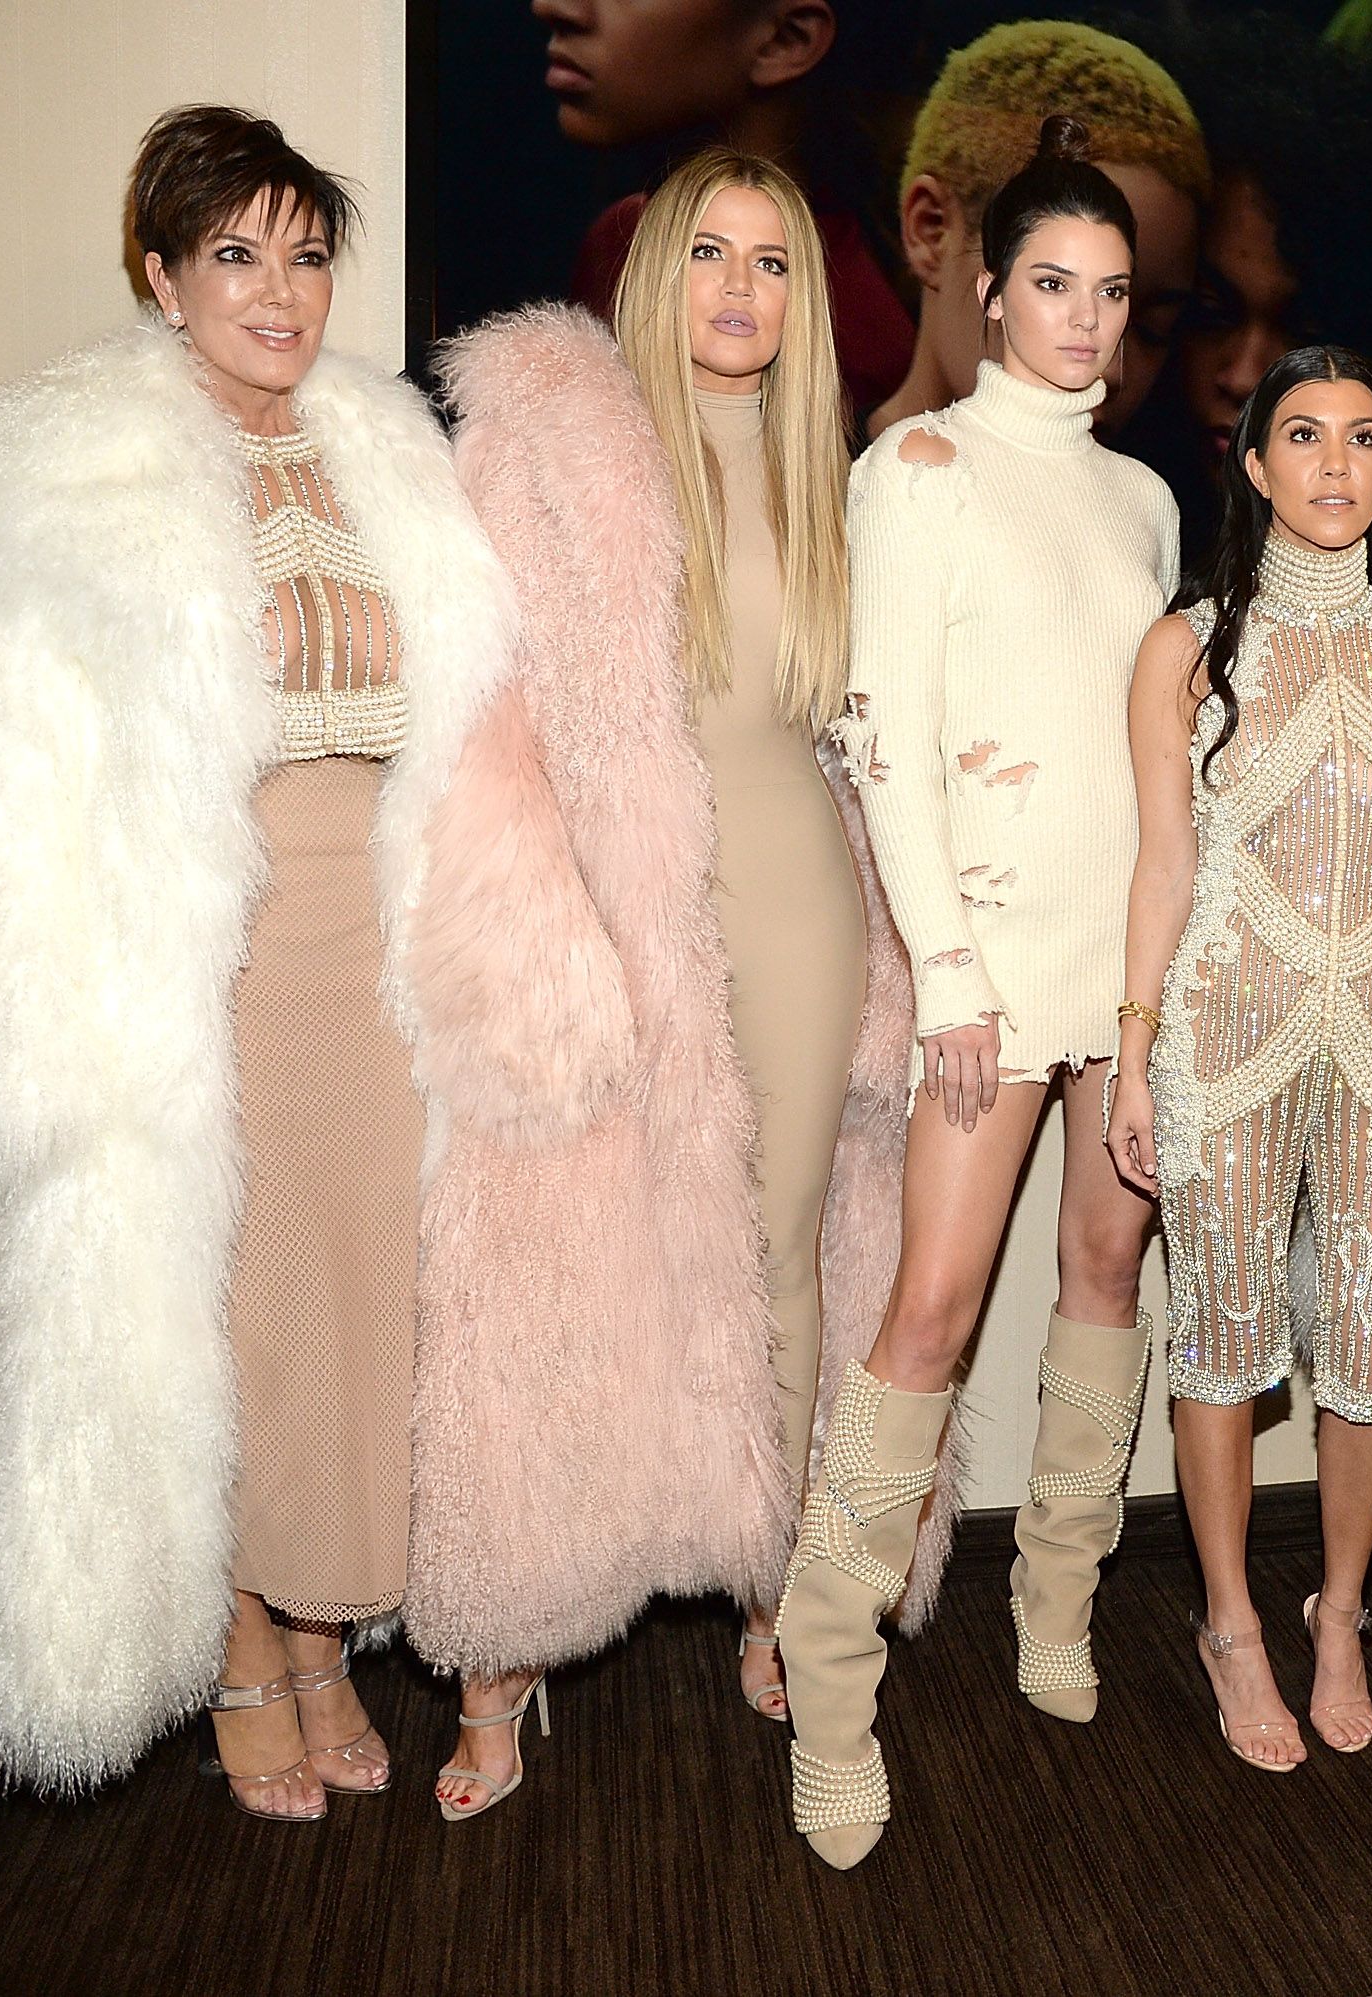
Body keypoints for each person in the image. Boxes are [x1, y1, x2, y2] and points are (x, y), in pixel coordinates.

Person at [0, 106, 515, 1817]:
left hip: (374, 943)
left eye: (306, 254)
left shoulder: (392, 453)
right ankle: (243, 1643)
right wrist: (8, 1040)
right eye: (236, 252)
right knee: (214, 1310)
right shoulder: (69, 484)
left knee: (347, 1308)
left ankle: (321, 1633)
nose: (280, 289)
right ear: (161, 276)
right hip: (200, 947)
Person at [413, 146, 913, 1819]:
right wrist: (535, 939)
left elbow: (847, 741)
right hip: (599, 908)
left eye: (774, 262)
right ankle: (512, 1640)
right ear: (652, 271)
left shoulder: (817, 464)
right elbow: (477, 724)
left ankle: (769, 1573)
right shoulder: (553, 443)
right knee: (564, 1267)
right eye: (711, 252)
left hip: (792, 903)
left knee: (769, 1258)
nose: (740, 292)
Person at [779, 114, 1180, 1870]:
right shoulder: (919, 466)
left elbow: (1157, 756)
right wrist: (948, 969)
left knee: (1108, 1266)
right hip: (991, 963)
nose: (1083, 321)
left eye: (1109, 292)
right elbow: (879, 736)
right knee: (932, 1307)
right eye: (1053, 286)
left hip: (1128, 960)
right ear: (991, 290)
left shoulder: (1148, 494)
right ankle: (830, 1668)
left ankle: (1059, 1602)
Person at [1107, 345, 1372, 1771]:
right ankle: (1230, 1622)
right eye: (1305, 436)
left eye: (1364, 436)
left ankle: (1340, 1611)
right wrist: (1136, 1042)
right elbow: (1165, 863)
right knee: (1219, 1332)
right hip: (1224, 1034)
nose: (1337, 464)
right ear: (1257, 465)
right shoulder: (1188, 645)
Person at [537, 0, 917, 409]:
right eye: (706, 253)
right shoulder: (621, 241)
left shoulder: (850, 343)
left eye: (771, 267)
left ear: (786, 39)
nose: (554, 7)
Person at [860, 20, 1209, 443]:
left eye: (1155, 328)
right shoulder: (796, 488)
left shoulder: (1138, 505)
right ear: (932, 231)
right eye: (1053, 285)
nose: (1109, 366)